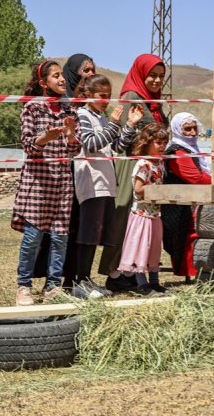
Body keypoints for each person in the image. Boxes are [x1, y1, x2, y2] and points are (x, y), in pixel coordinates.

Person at [13, 60, 80, 306]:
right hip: (38, 183)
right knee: (33, 237)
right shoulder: (31, 108)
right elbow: (28, 145)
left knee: (60, 237)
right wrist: (45, 138)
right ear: (43, 83)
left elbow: (75, 149)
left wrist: (71, 136)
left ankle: (53, 287)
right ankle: (24, 286)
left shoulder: (69, 110)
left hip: (62, 183)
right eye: (55, 76)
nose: (62, 79)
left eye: (62, 75)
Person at [99, 54, 167, 293]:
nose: (157, 81)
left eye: (161, 77)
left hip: (150, 167)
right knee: (123, 222)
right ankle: (114, 272)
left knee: (143, 225)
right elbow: (127, 134)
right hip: (131, 166)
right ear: (141, 74)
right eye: (152, 75)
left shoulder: (153, 101)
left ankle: (130, 272)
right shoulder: (132, 97)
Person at [71, 74, 143, 299]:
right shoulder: (81, 115)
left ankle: (87, 279)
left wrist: (129, 125)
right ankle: (78, 280)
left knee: (97, 236)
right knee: (87, 236)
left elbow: (117, 146)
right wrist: (113, 124)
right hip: (90, 183)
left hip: (106, 184)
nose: (106, 100)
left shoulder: (101, 118)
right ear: (88, 95)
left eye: (108, 96)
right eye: (102, 96)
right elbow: (91, 144)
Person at [35, 53, 97, 285]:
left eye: (93, 70)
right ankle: (52, 279)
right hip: (61, 174)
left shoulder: (86, 101)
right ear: (74, 72)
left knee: (78, 227)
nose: (91, 75)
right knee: (57, 229)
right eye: (86, 70)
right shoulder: (62, 102)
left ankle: (74, 278)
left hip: (83, 174)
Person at [117, 123, 170, 296]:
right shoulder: (143, 164)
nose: (162, 146)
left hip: (155, 214)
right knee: (142, 248)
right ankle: (142, 284)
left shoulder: (160, 164)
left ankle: (155, 282)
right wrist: (156, 192)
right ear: (148, 143)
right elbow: (139, 189)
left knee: (154, 249)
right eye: (158, 143)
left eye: (164, 143)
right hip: (142, 215)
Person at [161, 112, 213, 282]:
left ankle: (194, 272)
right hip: (178, 205)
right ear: (177, 130)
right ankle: (189, 273)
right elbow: (195, 177)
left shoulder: (192, 150)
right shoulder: (177, 152)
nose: (192, 133)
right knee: (184, 237)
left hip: (190, 202)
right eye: (187, 129)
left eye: (194, 128)